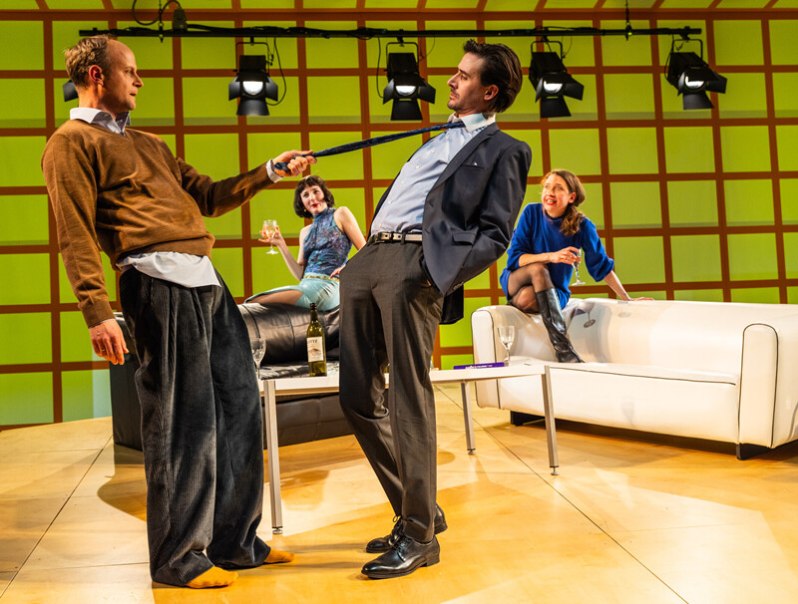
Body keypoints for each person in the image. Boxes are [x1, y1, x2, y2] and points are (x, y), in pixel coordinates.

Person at [41, 36, 314, 589]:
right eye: (131, 72)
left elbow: (209, 196)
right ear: (97, 75)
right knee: (182, 423)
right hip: (155, 284)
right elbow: (72, 232)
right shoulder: (69, 143)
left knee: (240, 410)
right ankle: (178, 558)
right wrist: (96, 311)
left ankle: (235, 543)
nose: (139, 81)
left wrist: (269, 170)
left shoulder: (150, 144)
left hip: (206, 282)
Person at [338, 39, 531, 580]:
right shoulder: (432, 138)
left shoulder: (505, 150)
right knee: (355, 396)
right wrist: (360, 261)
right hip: (369, 258)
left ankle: (419, 535)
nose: (451, 80)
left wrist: (433, 274)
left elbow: (494, 234)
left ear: (488, 92)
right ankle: (419, 509)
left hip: (413, 265)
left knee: (407, 396)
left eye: (464, 76)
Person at [500, 169, 650, 363]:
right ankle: (564, 350)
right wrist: (551, 256)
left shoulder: (583, 226)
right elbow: (515, 258)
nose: (550, 192)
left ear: (571, 196)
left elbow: (601, 265)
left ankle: (518, 313)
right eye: (547, 187)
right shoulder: (531, 213)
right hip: (517, 280)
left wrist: (627, 298)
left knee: (528, 297)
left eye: (558, 188)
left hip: (552, 293)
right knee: (538, 268)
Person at [249, 175, 366, 311]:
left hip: (329, 285)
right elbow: (301, 275)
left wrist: (348, 267)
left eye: (315, 191)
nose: (311, 197)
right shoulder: (304, 232)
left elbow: (366, 250)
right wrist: (281, 245)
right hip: (305, 285)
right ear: (302, 203)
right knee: (253, 300)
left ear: (324, 194)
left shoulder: (340, 214)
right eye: (305, 195)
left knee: (259, 301)